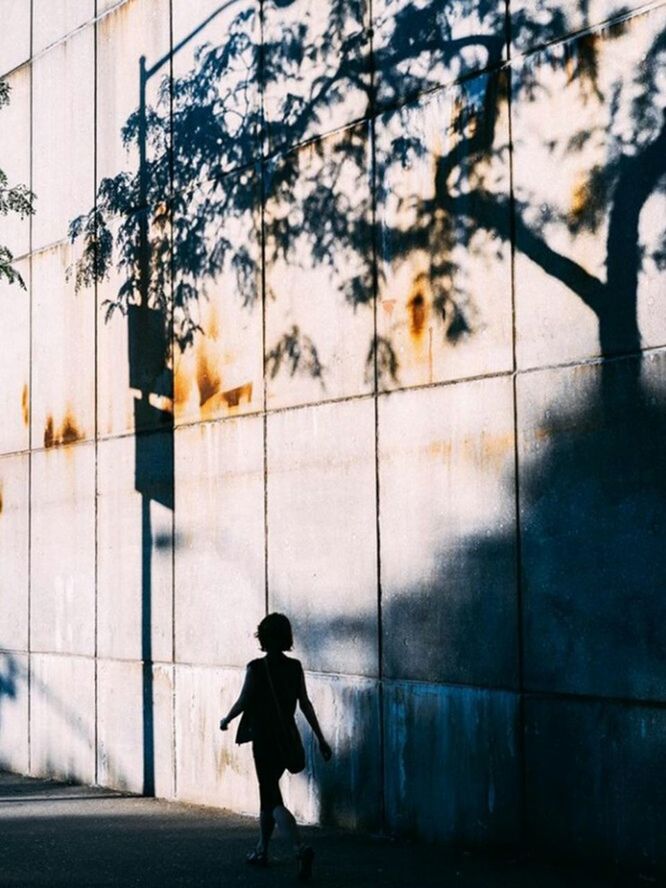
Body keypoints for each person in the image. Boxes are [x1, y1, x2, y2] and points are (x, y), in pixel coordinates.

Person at [220, 613, 332, 880]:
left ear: (263, 638)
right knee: (268, 794)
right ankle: (262, 849)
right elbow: (305, 703)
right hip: (287, 738)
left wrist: (227, 718)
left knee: (272, 797)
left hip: (264, 739)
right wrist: (320, 738)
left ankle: (299, 848)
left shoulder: (256, 668)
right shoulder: (294, 667)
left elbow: (244, 700)